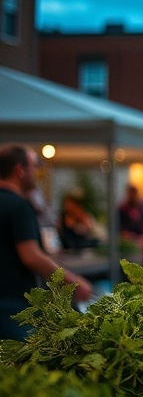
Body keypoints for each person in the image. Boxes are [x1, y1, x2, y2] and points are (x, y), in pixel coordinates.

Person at [0, 144, 93, 340]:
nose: (37, 173)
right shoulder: (19, 206)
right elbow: (31, 256)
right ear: (20, 170)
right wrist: (73, 282)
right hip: (13, 307)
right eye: (34, 167)